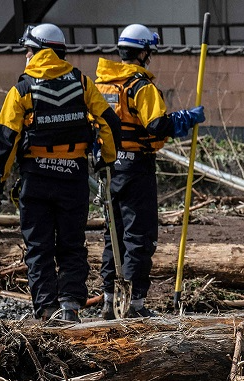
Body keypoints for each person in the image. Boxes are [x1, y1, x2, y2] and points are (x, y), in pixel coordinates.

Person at [0, 23, 120, 323]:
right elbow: (109, 122)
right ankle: (71, 306)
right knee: (72, 243)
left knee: (39, 248)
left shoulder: (21, 90)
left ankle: (47, 309)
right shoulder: (82, 83)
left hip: (36, 179)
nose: (26, 56)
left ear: (38, 52)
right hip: (73, 177)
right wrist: (106, 159)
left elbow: (5, 138)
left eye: (27, 50)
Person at [94, 23, 206, 319]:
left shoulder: (102, 84)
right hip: (135, 167)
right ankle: (134, 304)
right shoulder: (140, 86)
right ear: (143, 52)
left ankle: (108, 301)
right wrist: (184, 119)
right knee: (139, 236)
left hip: (108, 167)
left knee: (113, 235)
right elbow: (157, 125)